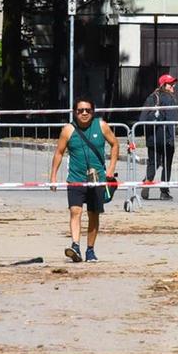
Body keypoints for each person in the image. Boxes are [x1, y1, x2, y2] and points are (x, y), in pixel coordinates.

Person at [50, 97, 119, 262]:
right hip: (76, 178)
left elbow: (115, 144)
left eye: (88, 110)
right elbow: (59, 152)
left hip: (97, 179)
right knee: (75, 211)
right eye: (80, 110)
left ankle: (90, 250)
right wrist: (53, 176)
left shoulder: (101, 126)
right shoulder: (68, 130)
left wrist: (110, 169)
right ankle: (75, 246)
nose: (84, 113)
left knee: (93, 214)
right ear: (75, 112)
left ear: (93, 112)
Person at [139, 74, 177, 201]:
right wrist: (172, 138)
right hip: (165, 137)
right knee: (167, 164)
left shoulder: (151, 97)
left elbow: (142, 118)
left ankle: (148, 181)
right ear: (163, 85)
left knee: (153, 162)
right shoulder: (169, 99)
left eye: (173, 84)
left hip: (152, 137)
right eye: (170, 84)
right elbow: (170, 119)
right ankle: (164, 192)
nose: (173, 86)